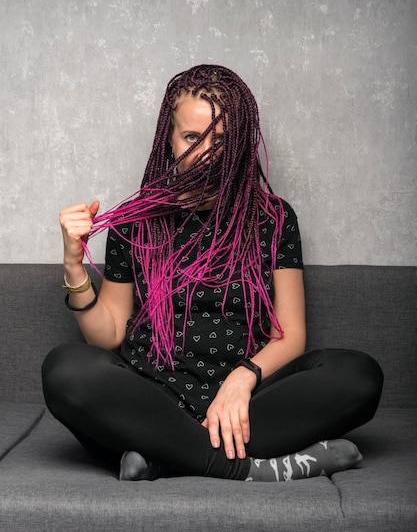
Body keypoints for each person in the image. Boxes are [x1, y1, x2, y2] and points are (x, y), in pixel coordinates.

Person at [42, 64, 383, 482]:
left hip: (248, 403)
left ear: (239, 144)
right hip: (154, 400)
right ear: (168, 139)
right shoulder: (135, 222)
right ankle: (249, 469)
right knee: (65, 369)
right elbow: (109, 335)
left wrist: (242, 380)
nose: (205, 152)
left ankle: (163, 456)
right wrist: (73, 266)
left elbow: (291, 335)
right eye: (191, 137)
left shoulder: (273, 218)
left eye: (220, 140)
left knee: (359, 376)